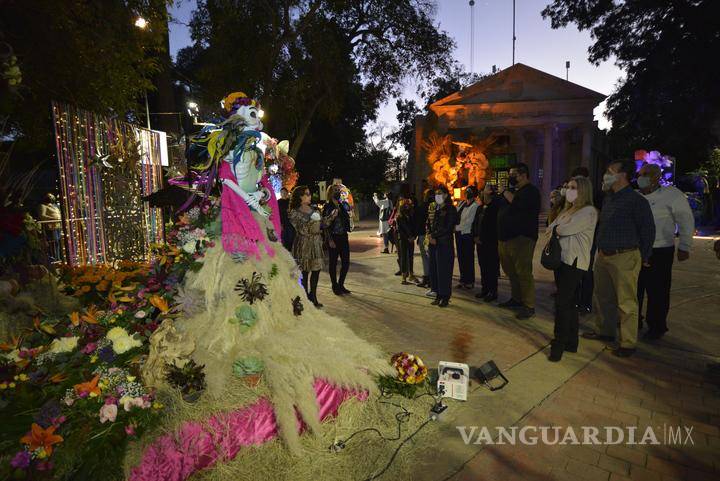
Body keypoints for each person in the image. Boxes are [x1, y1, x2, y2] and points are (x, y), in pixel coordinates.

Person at [583, 160, 655, 357]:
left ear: (622, 175)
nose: (605, 175)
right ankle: (605, 331)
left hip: (625, 256)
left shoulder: (636, 201)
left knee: (626, 302)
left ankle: (628, 343)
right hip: (604, 255)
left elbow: (647, 230)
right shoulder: (609, 198)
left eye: (609, 171)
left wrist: (645, 255)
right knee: (602, 296)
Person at [636, 163, 694, 340]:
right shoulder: (635, 196)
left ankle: (656, 326)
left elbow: (685, 220)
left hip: (660, 251)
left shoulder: (672, 195)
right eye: (640, 174)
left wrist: (685, 246)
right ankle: (633, 320)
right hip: (635, 250)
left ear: (656, 177)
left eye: (646, 174)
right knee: (634, 289)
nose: (641, 177)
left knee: (658, 291)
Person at [545, 176, 598, 362]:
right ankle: (571, 341)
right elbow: (550, 227)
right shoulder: (568, 210)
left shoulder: (588, 211)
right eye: (567, 186)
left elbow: (562, 230)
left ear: (583, 190)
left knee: (562, 303)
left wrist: (559, 227)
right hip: (562, 261)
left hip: (574, 264)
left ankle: (558, 344)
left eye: (573, 187)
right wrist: (559, 226)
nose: (568, 190)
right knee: (569, 303)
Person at [497, 163, 541, 319]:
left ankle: (529, 305)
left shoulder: (531, 192)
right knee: (511, 272)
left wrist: (505, 192)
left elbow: (519, 205)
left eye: (513, 174)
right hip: (506, 238)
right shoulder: (514, 191)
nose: (511, 177)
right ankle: (516, 298)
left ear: (523, 175)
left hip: (522, 238)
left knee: (523, 272)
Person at [288, 186, 324, 308]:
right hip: (303, 245)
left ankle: (313, 296)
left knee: (316, 270)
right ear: (300, 196)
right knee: (304, 272)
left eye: (309, 194)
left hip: (315, 244)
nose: (309, 196)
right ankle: (304, 299)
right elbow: (302, 230)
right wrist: (313, 220)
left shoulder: (314, 210)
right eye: (307, 194)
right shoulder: (293, 212)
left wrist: (330, 218)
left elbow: (322, 225)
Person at [428, 185, 458, 307]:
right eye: (436, 194)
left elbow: (448, 227)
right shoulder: (437, 208)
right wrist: (430, 235)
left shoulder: (451, 209)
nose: (437, 196)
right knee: (435, 270)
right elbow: (432, 224)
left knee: (444, 271)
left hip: (444, 244)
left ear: (446, 195)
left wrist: (434, 236)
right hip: (434, 244)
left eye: (440, 193)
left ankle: (445, 296)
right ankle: (438, 294)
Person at [472, 183, 502, 302]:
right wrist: (475, 236)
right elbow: (475, 223)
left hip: (490, 242)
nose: (482, 191)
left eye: (485, 188)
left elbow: (494, 226)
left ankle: (492, 291)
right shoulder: (481, 207)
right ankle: (485, 289)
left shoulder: (495, 207)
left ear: (490, 192)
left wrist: (483, 237)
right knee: (483, 266)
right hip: (479, 242)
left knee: (492, 267)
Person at [322, 184, 352, 295]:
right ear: (330, 193)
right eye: (335, 190)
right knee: (333, 263)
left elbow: (347, 217)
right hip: (333, 238)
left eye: (338, 190)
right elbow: (325, 225)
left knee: (346, 263)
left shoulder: (342, 205)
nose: (337, 192)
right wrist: (329, 240)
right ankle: (335, 286)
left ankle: (341, 284)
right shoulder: (327, 207)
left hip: (343, 236)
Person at [455, 186, 479, 289]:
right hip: (459, 234)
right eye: (466, 191)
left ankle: (469, 280)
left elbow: (469, 222)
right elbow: (456, 215)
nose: (466, 193)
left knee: (468, 257)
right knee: (461, 257)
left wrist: (456, 227)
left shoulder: (475, 206)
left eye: (469, 192)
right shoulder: (462, 203)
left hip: (467, 234)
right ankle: (463, 279)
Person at [395, 197, 417, 284]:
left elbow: (415, 227)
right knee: (403, 257)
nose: (407, 206)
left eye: (408, 205)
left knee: (411, 257)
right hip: (403, 239)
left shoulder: (412, 215)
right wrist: (408, 237)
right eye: (405, 205)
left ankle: (411, 274)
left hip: (411, 239)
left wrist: (413, 237)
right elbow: (400, 230)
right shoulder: (399, 217)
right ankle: (404, 276)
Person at [415, 189, 432, 288]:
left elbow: (419, 222)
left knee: (425, 257)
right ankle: (430, 277)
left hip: (424, 235)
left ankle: (427, 277)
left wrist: (417, 235)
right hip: (431, 236)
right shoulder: (436, 206)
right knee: (430, 257)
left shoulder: (422, 207)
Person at [38, 193, 62, 261]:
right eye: (49, 197)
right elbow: (42, 216)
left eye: (51, 197)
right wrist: (52, 218)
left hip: (57, 226)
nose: (51, 198)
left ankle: (58, 257)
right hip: (50, 226)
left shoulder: (55, 206)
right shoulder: (43, 206)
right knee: (53, 242)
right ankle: (54, 257)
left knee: (58, 242)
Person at [277, 187, 295, 251]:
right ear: (280, 194)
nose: (284, 194)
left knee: (291, 238)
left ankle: (291, 251)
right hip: (283, 223)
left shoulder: (290, 202)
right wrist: (280, 224)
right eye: (282, 192)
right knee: (284, 240)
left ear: (287, 193)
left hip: (290, 223)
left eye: (285, 192)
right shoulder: (278, 202)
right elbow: (278, 214)